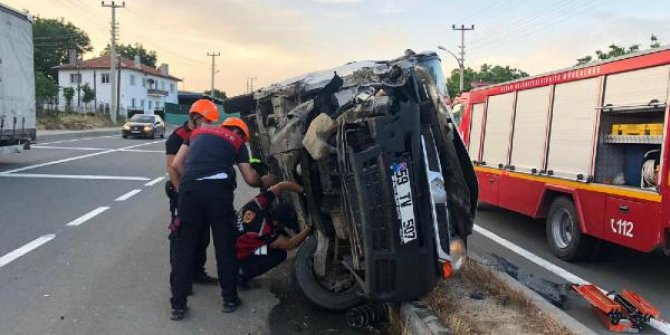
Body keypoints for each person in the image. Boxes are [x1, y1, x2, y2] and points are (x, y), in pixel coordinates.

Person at [169, 113, 268, 320]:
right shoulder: (237, 141)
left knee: (184, 247)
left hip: (190, 190)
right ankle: (229, 299)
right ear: (239, 132)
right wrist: (265, 180)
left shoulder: (196, 133)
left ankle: (178, 305)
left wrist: (188, 187)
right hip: (218, 194)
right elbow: (250, 178)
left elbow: (177, 164)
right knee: (225, 247)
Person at [165, 109, 217, 287]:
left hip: (201, 193)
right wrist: (182, 194)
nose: (208, 124)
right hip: (183, 192)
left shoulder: (205, 134)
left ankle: (197, 271)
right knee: (182, 237)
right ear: (195, 118)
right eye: (206, 120)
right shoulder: (178, 137)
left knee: (203, 235)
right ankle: (182, 277)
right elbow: (173, 168)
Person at [236, 181, 312, 289]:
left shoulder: (258, 203)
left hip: (226, 242)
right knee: (279, 254)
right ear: (278, 223)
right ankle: (241, 273)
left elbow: (281, 186)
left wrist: (303, 190)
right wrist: (308, 229)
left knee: (272, 243)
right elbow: (290, 245)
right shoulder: (264, 230)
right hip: (234, 258)